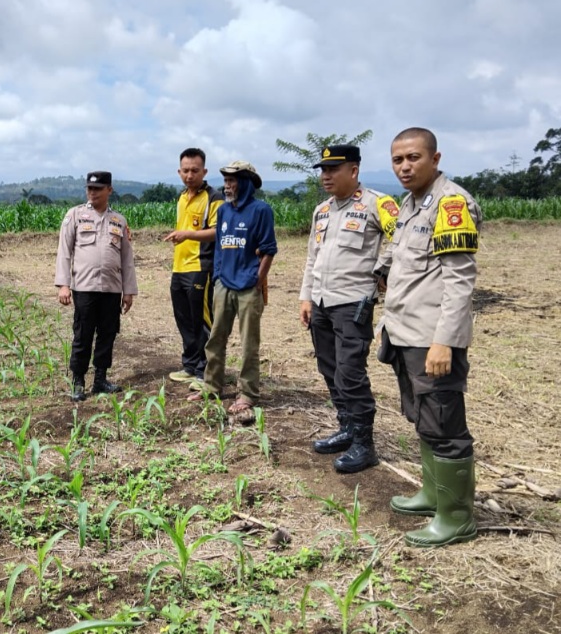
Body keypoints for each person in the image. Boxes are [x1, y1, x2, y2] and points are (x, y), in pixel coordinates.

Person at [376, 127, 481, 547]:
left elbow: (460, 281)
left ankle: (456, 517)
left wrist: (445, 342)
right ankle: (433, 494)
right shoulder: (409, 204)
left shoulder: (451, 204)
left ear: (435, 159)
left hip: (431, 338)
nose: (404, 167)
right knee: (423, 418)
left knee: (445, 424)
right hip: (406, 332)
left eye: (413, 157)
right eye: (398, 159)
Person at [299, 145, 399, 474]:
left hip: (353, 302)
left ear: (353, 171)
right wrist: (305, 297)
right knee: (329, 368)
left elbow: (401, 238)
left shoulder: (376, 204)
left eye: (333, 169)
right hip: (321, 302)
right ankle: (347, 428)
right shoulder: (322, 210)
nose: (325, 176)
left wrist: (382, 270)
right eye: (323, 170)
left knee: (350, 372)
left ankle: (365, 444)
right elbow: (312, 257)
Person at [186, 161, 277, 424]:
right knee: (215, 338)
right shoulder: (224, 211)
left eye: (232, 181)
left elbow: (269, 250)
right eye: (225, 181)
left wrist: (258, 280)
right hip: (223, 284)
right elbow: (219, 246)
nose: (227, 186)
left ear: (245, 183)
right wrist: (217, 275)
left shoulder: (261, 210)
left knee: (249, 343)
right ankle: (212, 386)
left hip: (248, 287)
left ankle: (248, 393)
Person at [55, 171, 138, 402]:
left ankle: (100, 379)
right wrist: (63, 285)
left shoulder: (119, 221)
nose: (92, 193)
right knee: (83, 334)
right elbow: (64, 252)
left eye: (98, 189)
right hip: (84, 287)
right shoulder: (75, 215)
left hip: (111, 288)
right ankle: (78, 381)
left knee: (107, 334)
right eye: (89, 188)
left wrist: (129, 291)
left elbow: (126, 259)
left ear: (109, 190)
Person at [163, 148, 225, 387]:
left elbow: (218, 232)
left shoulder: (214, 197)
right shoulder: (182, 197)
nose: (189, 175)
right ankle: (190, 366)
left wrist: (187, 234)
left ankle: (205, 371)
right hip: (179, 267)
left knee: (202, 321)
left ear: (204, 172)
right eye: (185, 171)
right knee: (184, 320)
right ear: (179, 172)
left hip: (201, 267)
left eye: (195, 171)